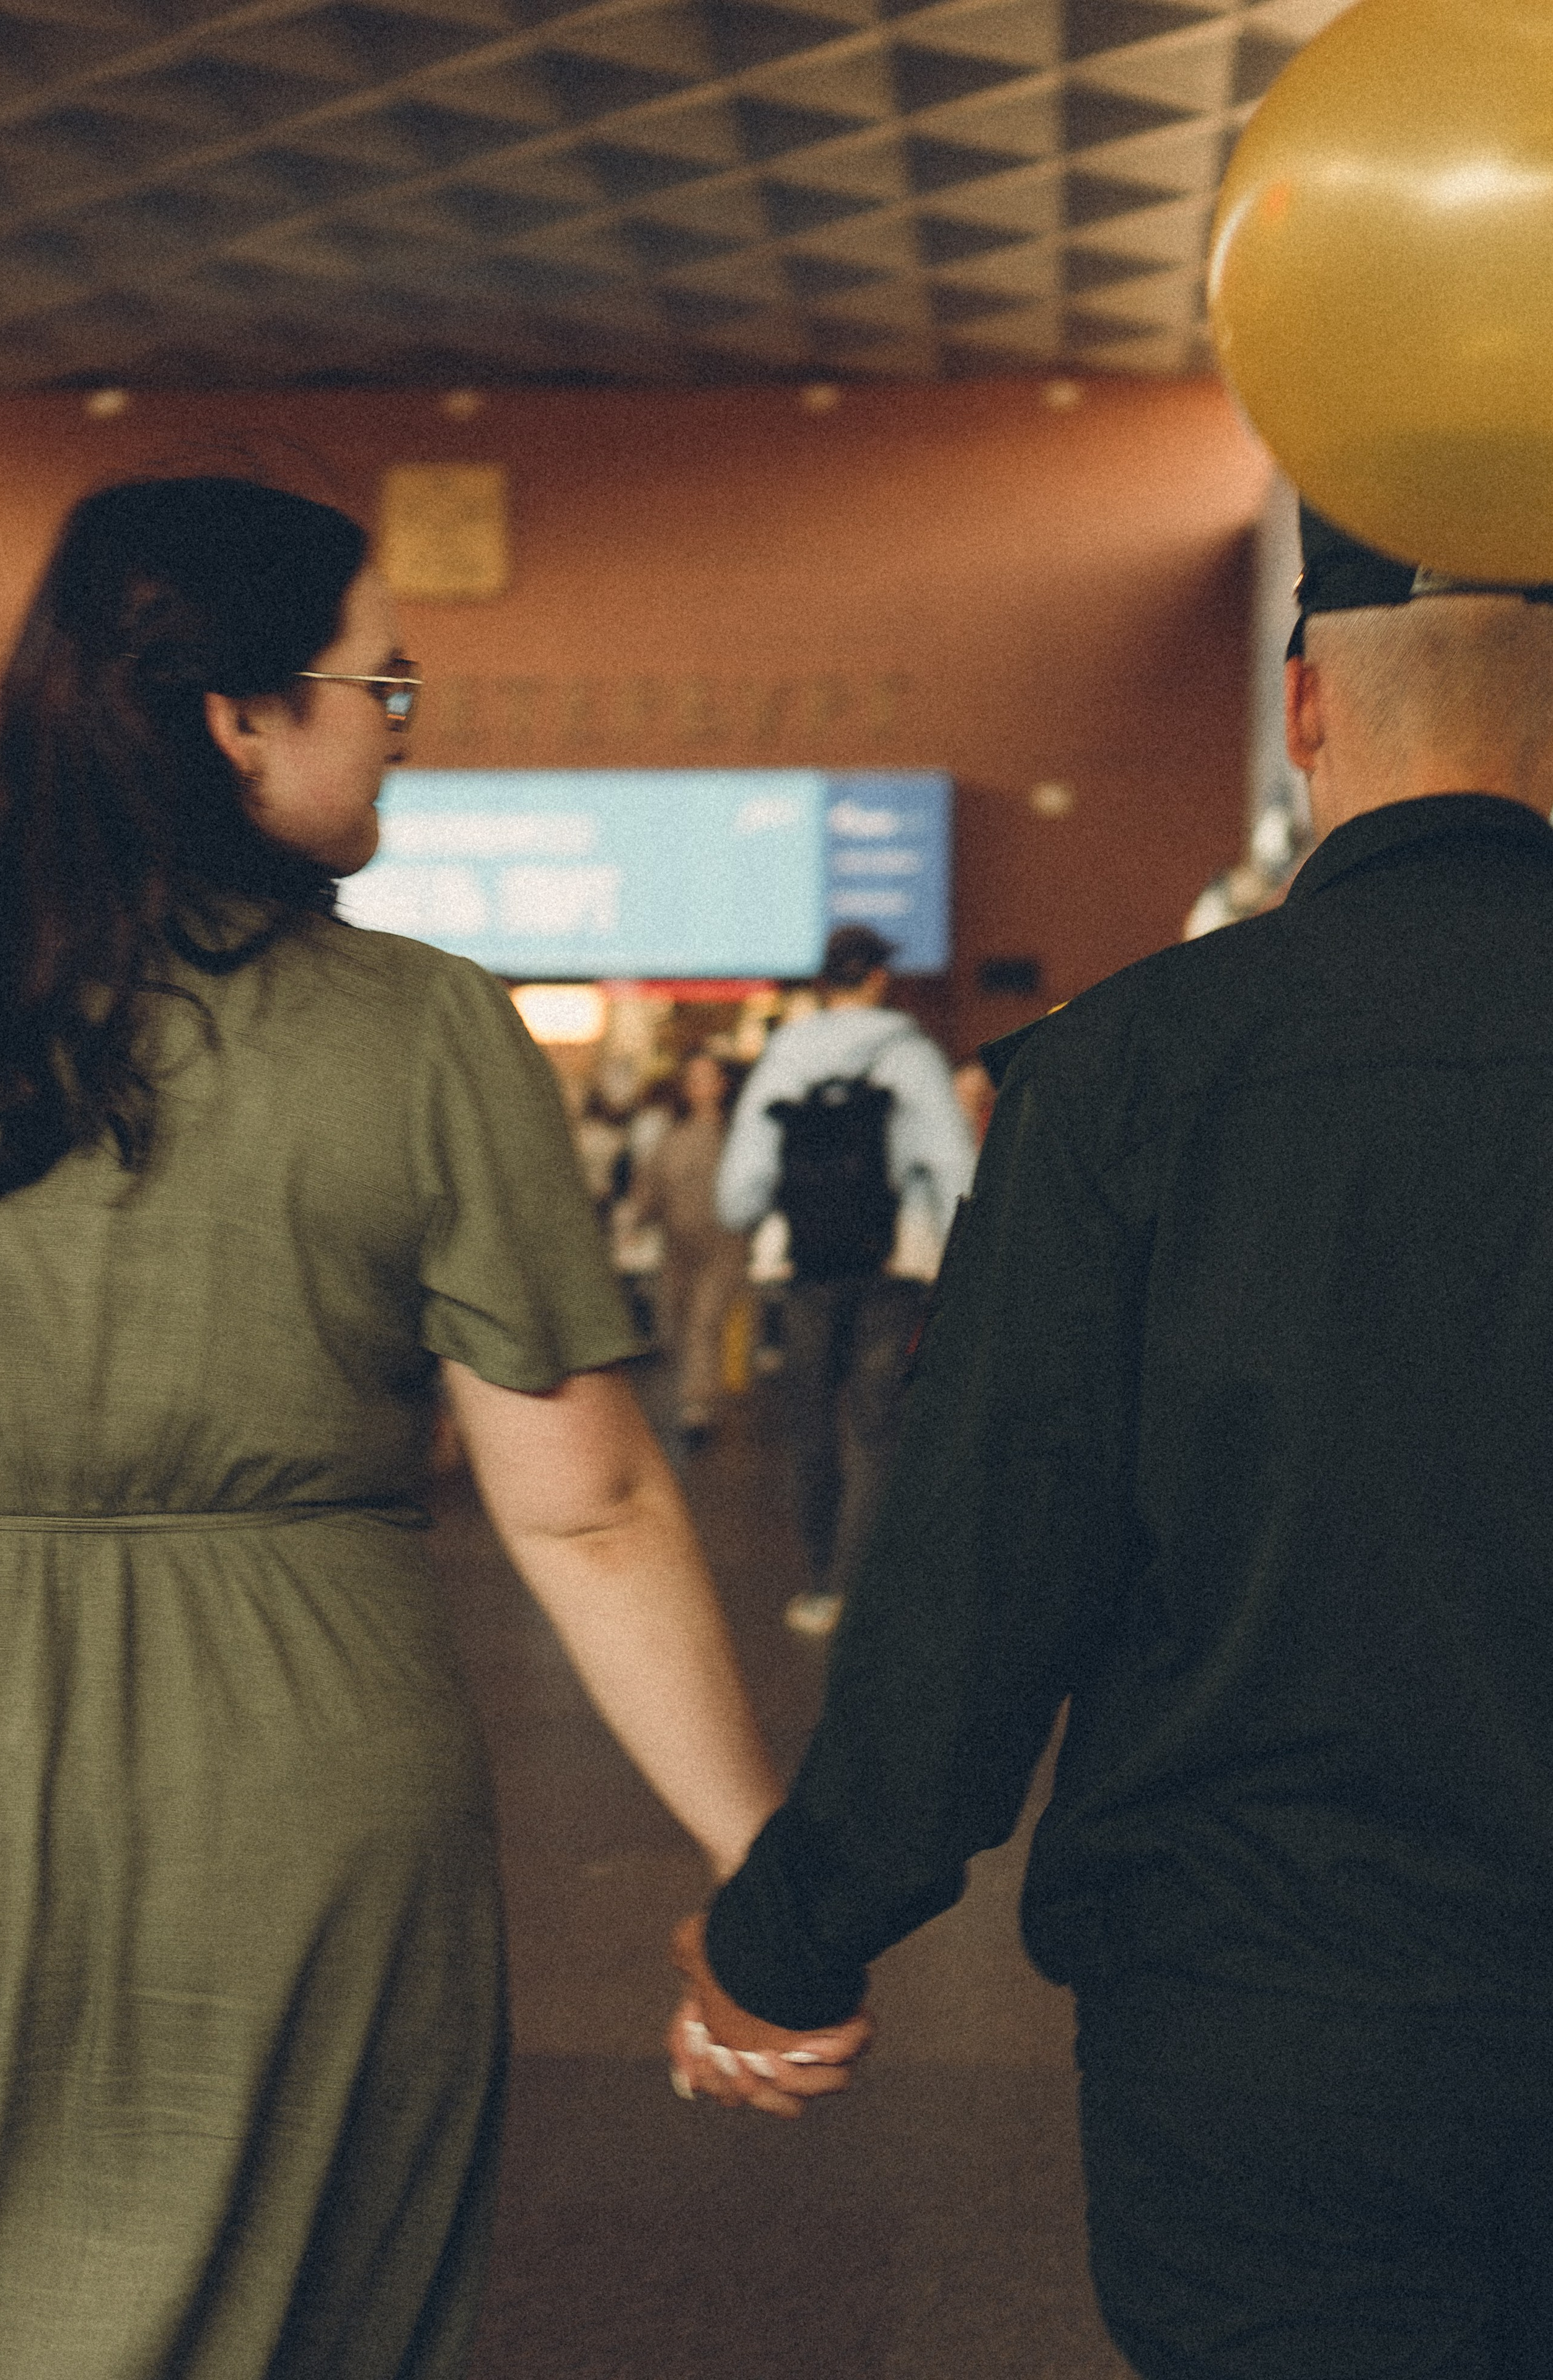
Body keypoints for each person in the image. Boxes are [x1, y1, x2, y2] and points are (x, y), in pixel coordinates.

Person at [669, 504, 1553, 2375]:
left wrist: (791, 1936)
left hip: (1259, 2027)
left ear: (1304, 708)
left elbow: (987, 1568)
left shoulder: (1124, 1073)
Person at [0, 475, 788, 2379]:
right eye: (383, 686)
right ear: (236, 713)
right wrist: (769, 1865)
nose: (405, 737)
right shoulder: (421, 1030)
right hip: (297, 1778)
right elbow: (577, 1505)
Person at [716, 923, 975, 1636]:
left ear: (825, 981)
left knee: (811, 1424)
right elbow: (954, 1167)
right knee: (874, 1424)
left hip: (804, 1267)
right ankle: (854, 1590)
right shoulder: (911, 1056)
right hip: (892, 1267)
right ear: (879, 979)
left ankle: (819, 1578)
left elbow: (737, 1190)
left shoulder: (785, 1054)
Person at [628, 1051, 748, 1445]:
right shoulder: (672, 1138)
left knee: (704, 1320)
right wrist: (633, 1221)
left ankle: (698, 1405)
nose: (699, 1087)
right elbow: (649, 1190)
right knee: (676, 1323)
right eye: (692, 1079)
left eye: (707, 1078)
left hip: (725, 1244)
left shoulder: (739, 1137)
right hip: (678, 1248)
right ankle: (697, 1394)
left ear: (722, 1085)